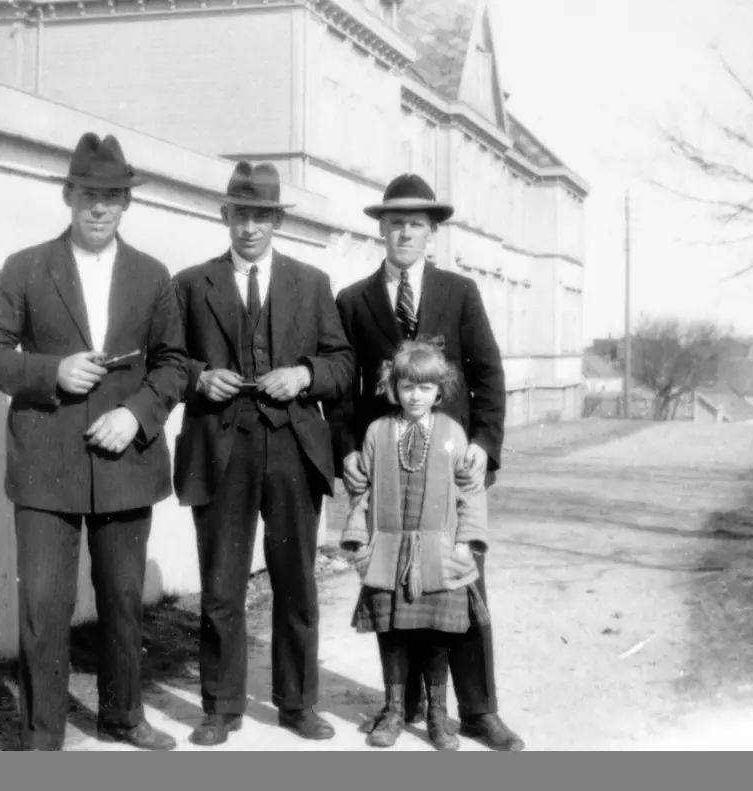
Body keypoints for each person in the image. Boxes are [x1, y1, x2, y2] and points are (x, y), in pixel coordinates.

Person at [0, 132, 188, 751]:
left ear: (127, 205)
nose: (100, 208)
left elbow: (174, 363)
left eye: (113, 197)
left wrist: (137, 414)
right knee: (43, 607)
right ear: (67, 194)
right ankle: (43, 735)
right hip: (45, 468)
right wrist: (50, 371)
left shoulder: (151, 275)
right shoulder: (26, 266)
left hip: (127, 462)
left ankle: (123, 715)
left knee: (122, 602)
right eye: (90, 194)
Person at [329, 173, 524, 751]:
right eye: (395, 223)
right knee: (394, 587)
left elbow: (488, 374)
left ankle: (479, 709)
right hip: (388, 473)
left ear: (432, 233)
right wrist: (346, 450)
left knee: (459, 586)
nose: (404, 232)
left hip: (449, 469)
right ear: (381, 231)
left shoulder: (460, 293)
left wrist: (484, 444)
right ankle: (405, 704)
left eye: (416, 224)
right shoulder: (354, 300)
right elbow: (343, 390)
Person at [172, 161, 355, 746]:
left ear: (277, 221)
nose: (249, 226)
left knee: (296, 579)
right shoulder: (191, 283)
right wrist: (201, 377)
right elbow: (167, 361)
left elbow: (343, 364)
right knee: (222, 582)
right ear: (224, 216)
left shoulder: (311, 283)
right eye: (239, 214)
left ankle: (297, 703)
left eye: (261, 216)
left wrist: (302, 375)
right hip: (221, 447)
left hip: (293, 448)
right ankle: (220, 706)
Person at [340, 340, 490, 751]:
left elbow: (470, 491)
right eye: (407, 387)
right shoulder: (377, 432)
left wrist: (464, 546)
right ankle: (393, 711)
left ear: (439, 391)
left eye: (425, 388)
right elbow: (361, 493)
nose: (415, 396)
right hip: (387, 551)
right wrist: (360, 545)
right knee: (392, 634)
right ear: (394, 389)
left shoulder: (451, 433)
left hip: (437, 554)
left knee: (435, 635)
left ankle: (439, 717)